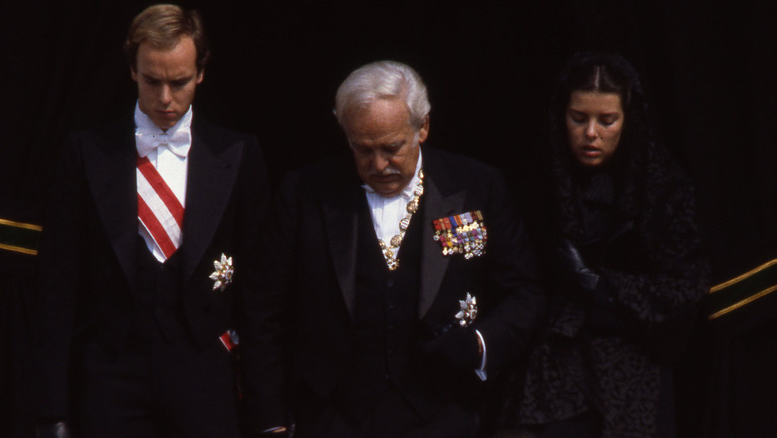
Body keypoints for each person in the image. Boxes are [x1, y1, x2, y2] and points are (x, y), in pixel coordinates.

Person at [33, 5, 285, 437]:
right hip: (110, 375)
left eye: (179, 81)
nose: (165, 98)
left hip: (204, 372)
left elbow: (259, 296)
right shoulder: (86, 153)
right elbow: (57, 287)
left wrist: (270, 415)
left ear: (201, 72)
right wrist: (50, 410)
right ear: (132, 69)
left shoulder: (239, 155)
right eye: (152, 81)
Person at [263, 60, 544, 438]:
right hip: (332, 416)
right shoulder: (304, 193)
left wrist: (478, 344)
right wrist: (271, 422)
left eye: (392, 147)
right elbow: (264, 310)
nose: (379, 165)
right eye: (363, 150)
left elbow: (525, 293)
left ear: (422, 127)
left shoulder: (478, 186)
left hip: (444, 413)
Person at [499, 53, 709, 438]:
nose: (590, 133)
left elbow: (685, 290)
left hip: (633, 374)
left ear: (628, 121)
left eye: (606, 121)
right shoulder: (538, 186)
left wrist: (599, 287)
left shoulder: (665, 191)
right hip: (554, 371)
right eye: (578, 119)